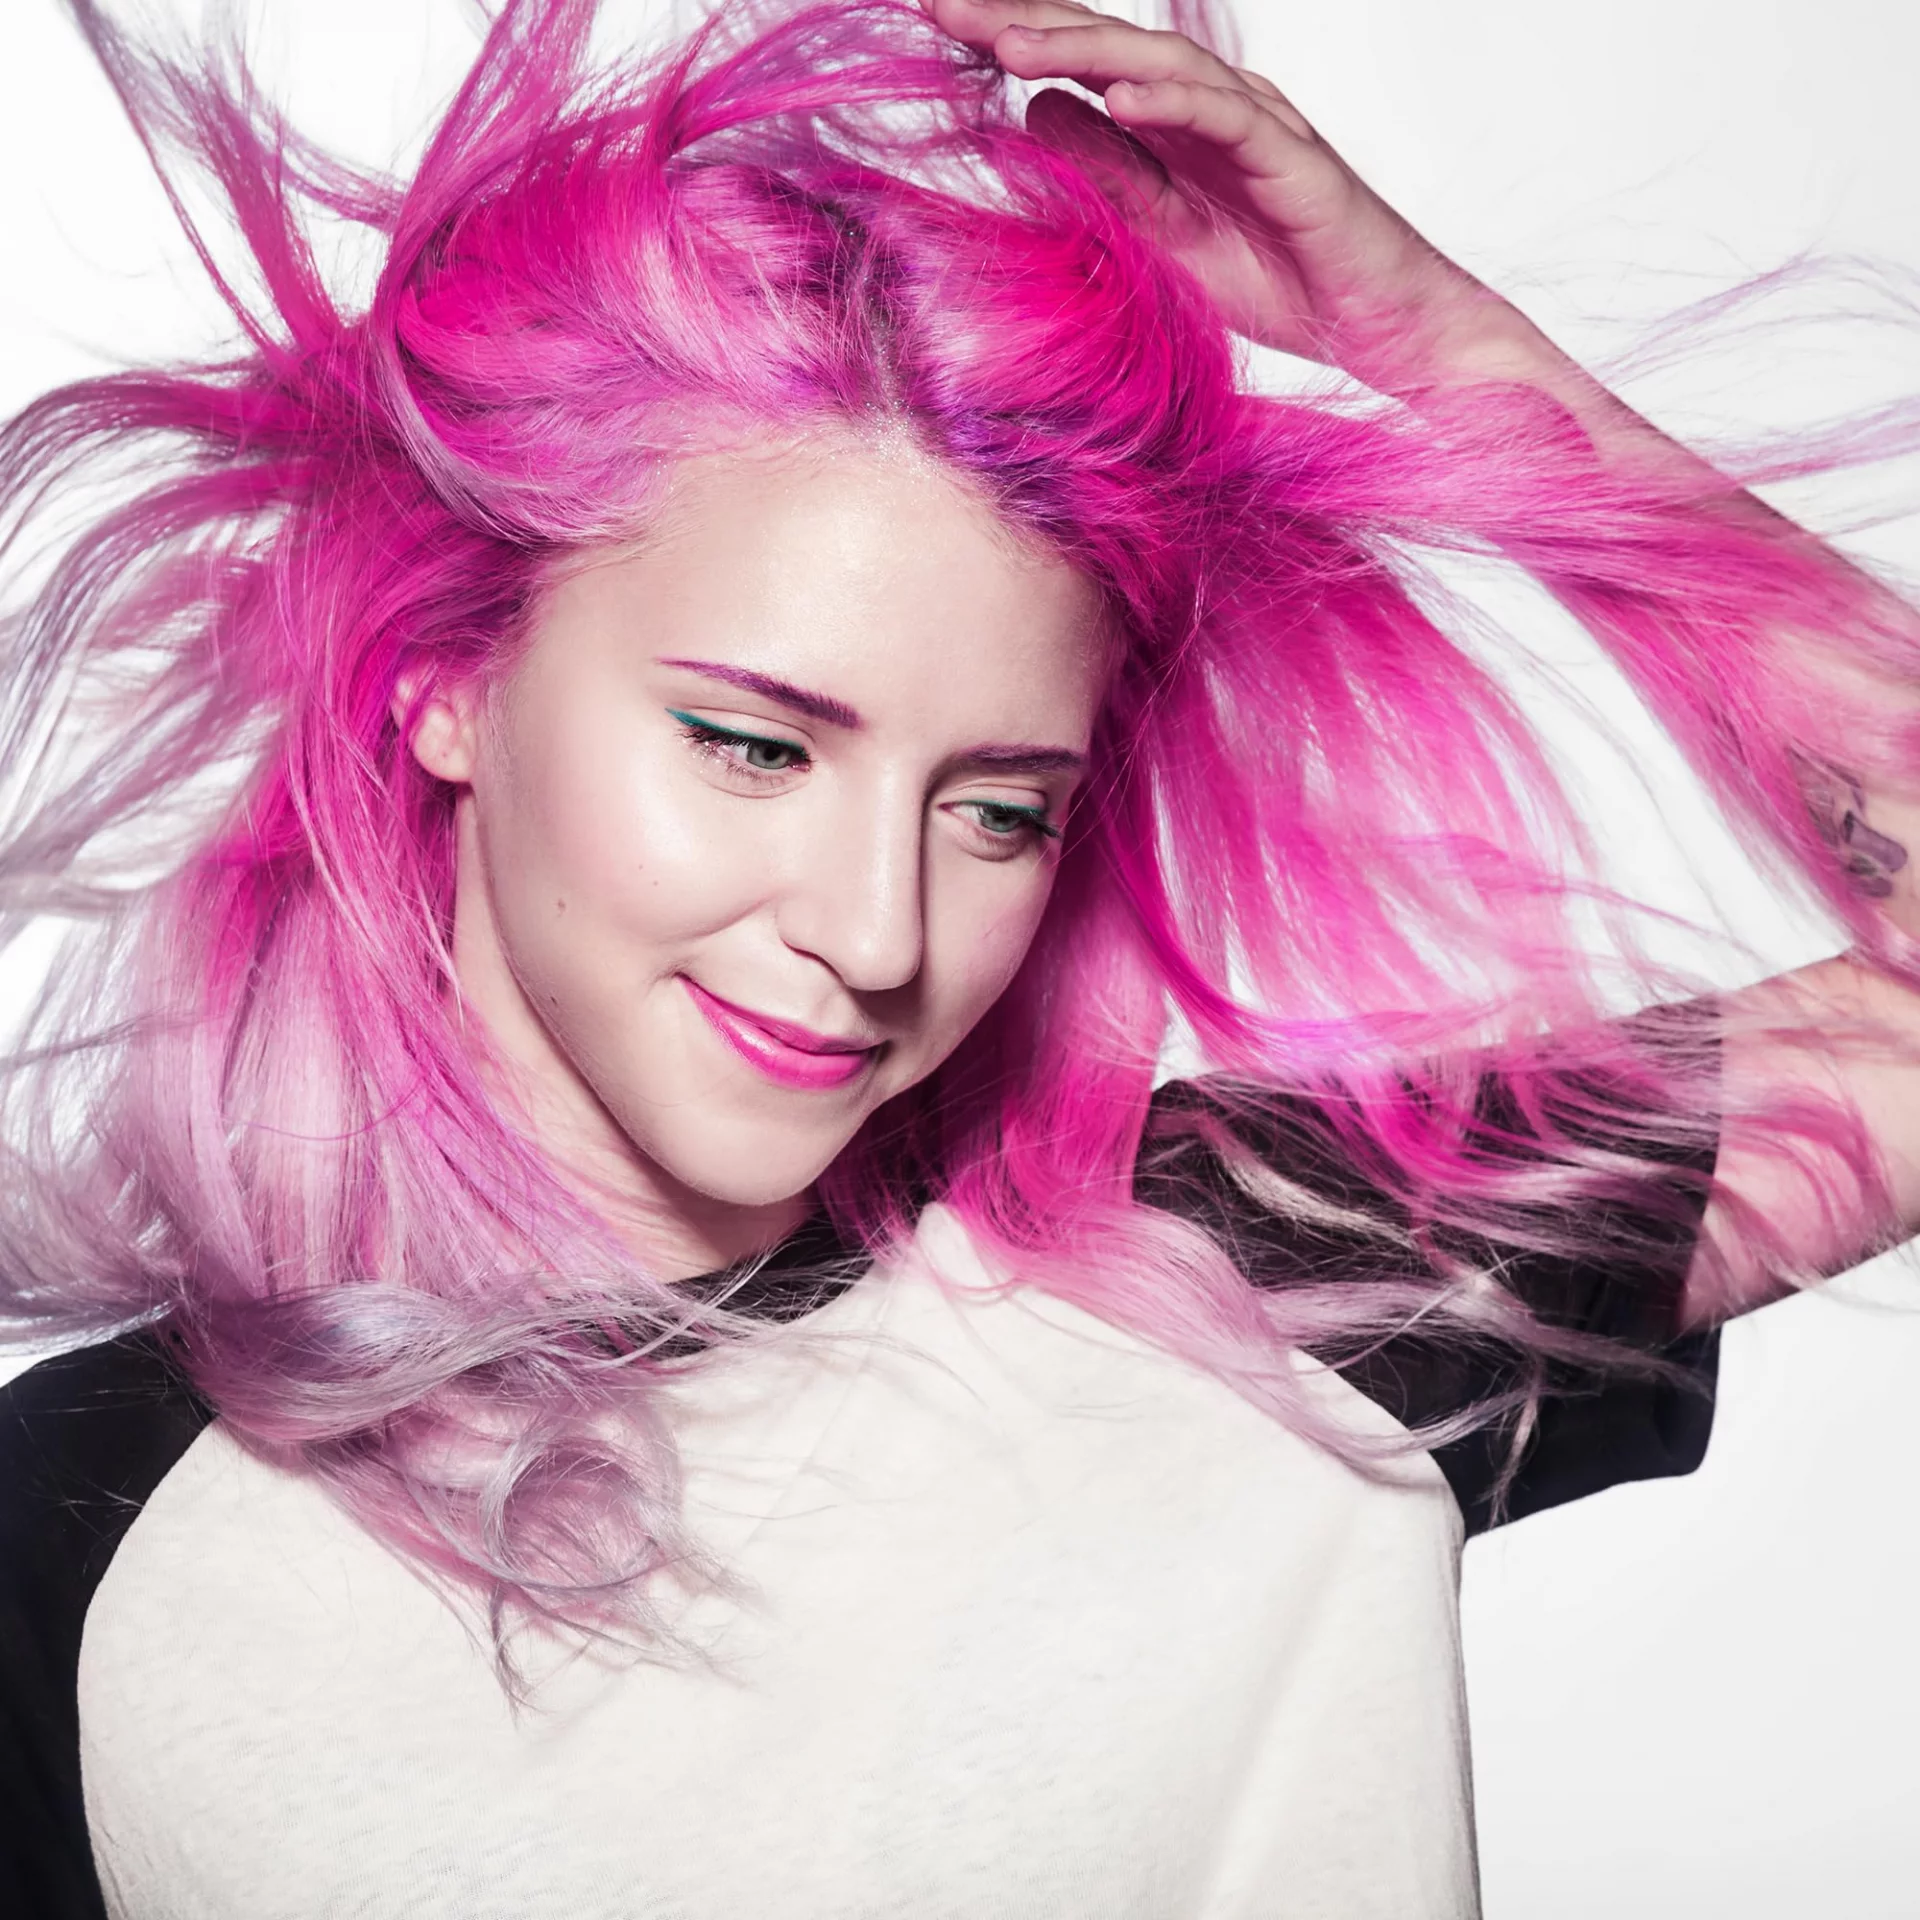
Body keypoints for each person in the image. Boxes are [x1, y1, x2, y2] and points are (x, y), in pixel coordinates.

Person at [2, 0, 1918, 1913]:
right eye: (753, 747)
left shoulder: (1259, 1284)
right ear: (443, 681)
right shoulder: (78, 1525)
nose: (874, 932)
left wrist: (1433, 342)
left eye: (998, 810)